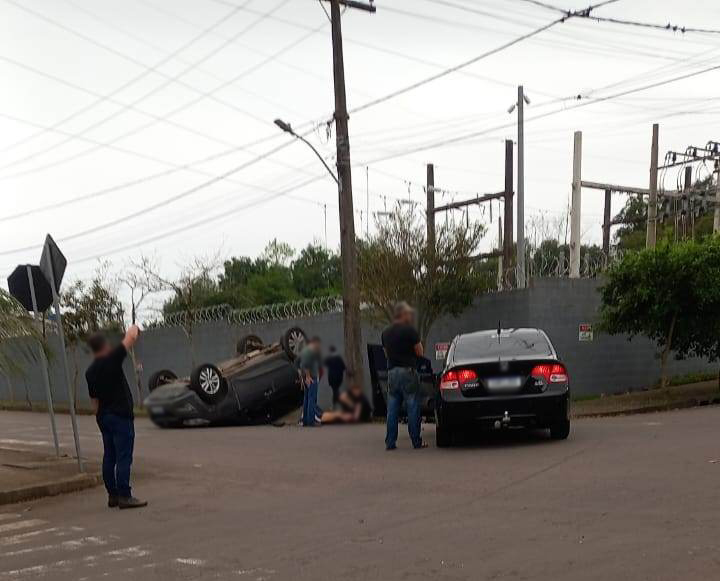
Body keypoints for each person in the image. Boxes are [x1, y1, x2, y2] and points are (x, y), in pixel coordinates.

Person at [85, 325, 146, 509]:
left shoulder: (90, 372)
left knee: (109, 456)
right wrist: (134, 327)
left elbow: (94, 400)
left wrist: (99, 419)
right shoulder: (111, 359)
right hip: (120, 416)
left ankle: (112, 495)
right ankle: (124, 496)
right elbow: (131, 337)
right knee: (124, 456)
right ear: (105, 346)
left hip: (104, 417)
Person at [381, 302, 426, 450]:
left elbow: (386, 354)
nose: (410, 316)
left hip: (392, 372)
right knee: (412, 405)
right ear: (403, 314)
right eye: (408, 313)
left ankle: (390, 442)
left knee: (392, 408)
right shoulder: (410, 331)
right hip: (408, 371)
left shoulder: (385, 332)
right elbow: (420, 352)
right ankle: (416, 441)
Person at [298, 336, 323, 427]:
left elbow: (300, 366)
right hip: (311, 378)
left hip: (306, 378)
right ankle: (310, 421)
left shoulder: (303, 353)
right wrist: (308, 377)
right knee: (312, 399)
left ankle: (305, 421)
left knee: (307, 399)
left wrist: (303, 378)